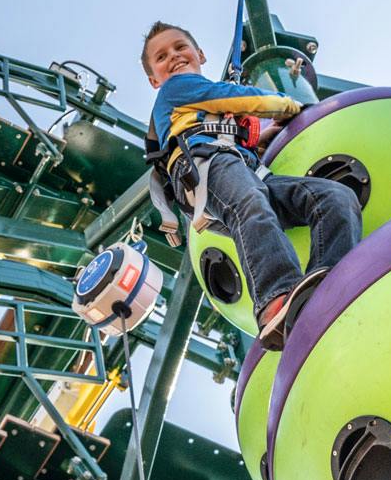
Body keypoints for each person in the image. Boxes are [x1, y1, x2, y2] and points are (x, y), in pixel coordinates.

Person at [140, 20, 361, 348]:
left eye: (180, 47)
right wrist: (288, 106)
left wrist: (260, 137)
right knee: (250, 203)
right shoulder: (178, 89)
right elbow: (234, 97)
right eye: (161, 56)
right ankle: (276, 296)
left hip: (242, 171)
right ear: (153, 79)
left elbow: (231, 134)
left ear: (199, 53)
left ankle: (329, 285)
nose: (173, 56)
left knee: (334, 198)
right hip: (203, 169)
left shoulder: (198, 108)